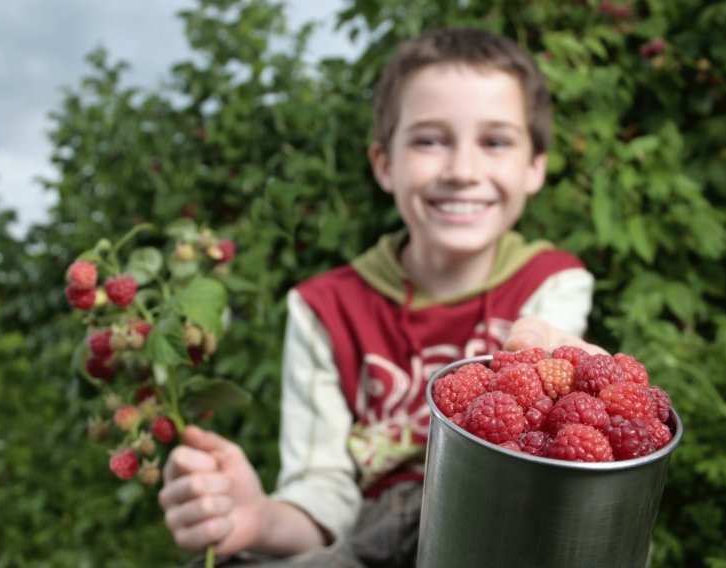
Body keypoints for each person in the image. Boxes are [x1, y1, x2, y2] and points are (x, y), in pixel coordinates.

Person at [159, 27, 601, 567]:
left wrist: (582, 387)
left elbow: (545, 443)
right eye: (429, 140)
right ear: (383, 162)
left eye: (495, 142)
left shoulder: (551, 283)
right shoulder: (326, 308)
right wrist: (262, 520)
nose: (462, 171)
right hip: (368, 538)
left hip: (498, 519)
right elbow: (324, 496)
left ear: (535, 166)